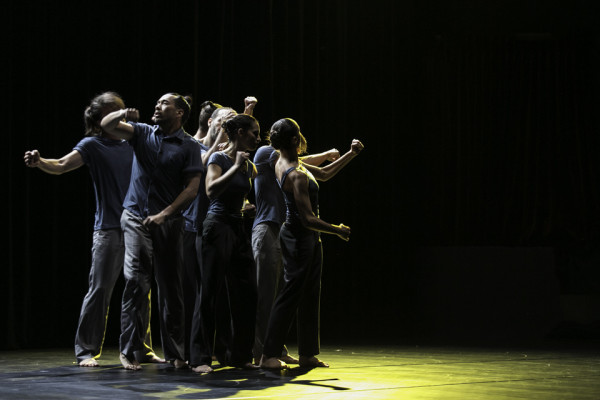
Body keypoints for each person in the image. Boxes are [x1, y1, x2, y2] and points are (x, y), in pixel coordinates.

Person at [23, 92, 161, 367]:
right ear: (101, 119)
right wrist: (40, 162)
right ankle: (86, 350)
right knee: (100, 289)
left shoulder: (137, 141)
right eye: (116, 111)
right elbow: (62, 165)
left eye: (123, 109)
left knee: (140, 290)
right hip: (109, 228)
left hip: (137, 226)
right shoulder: (93, 145)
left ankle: (140, 348)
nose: (124, 114)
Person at [100, 93, 203, 370]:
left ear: (180, 112)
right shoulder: (143, 132)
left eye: (164, 103)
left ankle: (176, 353)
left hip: (169, 221)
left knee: (171, 288)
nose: (156, 106)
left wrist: (165, 213)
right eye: (155, 102)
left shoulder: (189, 146)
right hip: (135, 216)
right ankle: (130, 350)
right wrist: (123, 115)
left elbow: (192, 188)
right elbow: (107, 125)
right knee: (136, 280)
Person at [259, 118, 364, 370]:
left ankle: (307, 353)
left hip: (302, 237)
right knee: (290, 294)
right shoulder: (295, 174)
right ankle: (268, 354)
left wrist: (350, 154)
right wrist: (336, 230)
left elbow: (325, 173)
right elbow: (307, 218)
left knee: (310, 292)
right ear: (295, 140)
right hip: (299, 237)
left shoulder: (282, 160)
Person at [251, 136, 340, 365]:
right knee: (273, 294)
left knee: (300, 291)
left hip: (290, 229)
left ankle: (297, 353)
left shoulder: (294, 165)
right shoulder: (267, 154)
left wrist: (345, 154)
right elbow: (304, 163)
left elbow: (320, 172)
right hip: (271, 227)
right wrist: (336, 229)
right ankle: (265, 353)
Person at [190, 114, 261, 373]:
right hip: (217, 227)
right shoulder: (219, 159)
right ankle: (200, 358)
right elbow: (210, 191)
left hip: (238, 227)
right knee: (209, 292)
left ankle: (240, 356)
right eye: (254, 132)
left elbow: (239, 197)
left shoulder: (249, 163)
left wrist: (247, 207)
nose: (257, 137)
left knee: (247, 293)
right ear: (240, 132)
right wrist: (235, 167)